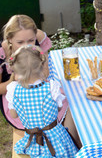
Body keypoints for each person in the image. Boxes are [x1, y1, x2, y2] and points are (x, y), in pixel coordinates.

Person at [0, 14, 81, 147]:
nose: (26, 46)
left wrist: (36, 76)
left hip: (40, 88)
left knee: (74, 102)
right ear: (9, 39)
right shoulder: (1, 53)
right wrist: (14, 81)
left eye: (30, 40)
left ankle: (72, 142)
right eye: (20, 42)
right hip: (18, 100)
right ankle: (66, 142)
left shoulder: (38, 40)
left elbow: (45, 72)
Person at [6, 45, 78, 157]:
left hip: (32, 140)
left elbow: (14, 115)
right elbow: (58, 109)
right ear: (42, 66)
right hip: (56, 138)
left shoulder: (13, 90)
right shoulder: (51, 88)